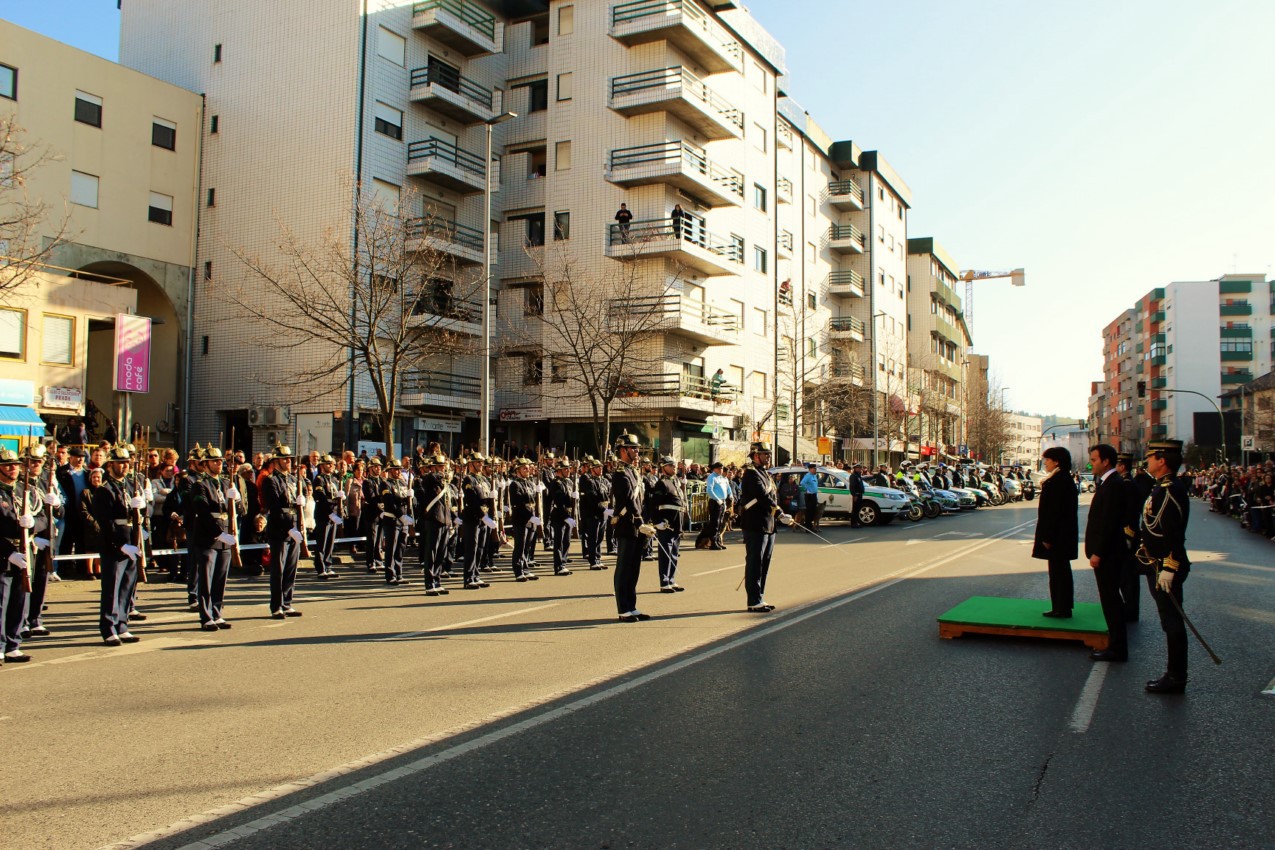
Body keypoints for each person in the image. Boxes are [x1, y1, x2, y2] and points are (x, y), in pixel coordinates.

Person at [1138, 439, 1192, 694]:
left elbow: (1173, 532)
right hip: (1156, 563)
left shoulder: (1170, 490)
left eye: (1150, 457)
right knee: (1168, 620)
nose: (1147, 461)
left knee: (1172, 621)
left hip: (1164, 565)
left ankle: (1176, 676)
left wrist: (1170, 566)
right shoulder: (1160, 487)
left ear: (1162, 460)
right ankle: (1174, 673)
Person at [87, 446, 144, 645]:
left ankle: (122, 624)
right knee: (112, 588)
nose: (125, 466)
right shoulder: (104, 490)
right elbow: (105, 522)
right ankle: (108, 627)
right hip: (114, 545)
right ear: (110, 465)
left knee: (127, 586)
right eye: (121, 463)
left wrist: (140, 515)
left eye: (127, 463)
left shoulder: (129, 486)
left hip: (131, 542)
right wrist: (120, 544)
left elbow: (135, 516)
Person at [1084, 444, 1129, 662]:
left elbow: (1108, 523)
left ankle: (1117, 648)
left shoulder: (1113, 484)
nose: (1090, 463)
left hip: (1108, 554)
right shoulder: (1109, 482)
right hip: (1108, 552)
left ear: (1106, 462)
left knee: (1111, 600)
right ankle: (1116, 644)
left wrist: (1098, 553)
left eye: (1094, 460)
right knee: (1110, 599)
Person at [0, 448, 42, 664]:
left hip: (24, 550)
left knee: (20, 600)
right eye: (7, 465)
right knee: (1, 602)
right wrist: (8, 553)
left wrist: (33, 525)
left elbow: (42, 517)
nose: (13, 468)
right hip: (3, 553)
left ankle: (12, 644)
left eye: (15, 465)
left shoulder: (26, 491)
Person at [188, 446, 236, 631]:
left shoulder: (225, 483)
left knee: (220, 578)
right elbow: (203, 510)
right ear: (205, 464)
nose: (219, 464)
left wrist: (235, 499)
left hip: (224, 534)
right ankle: (206, 616)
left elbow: (234, 511)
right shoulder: (199, 485)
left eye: (220, 461)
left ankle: (217, 612)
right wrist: (219, 532)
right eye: (215, 461)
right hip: (208, 536)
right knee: (206, 579)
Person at [738, 442, 790, 612]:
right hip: (755, 523)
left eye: (768, 454)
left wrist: (778, 514)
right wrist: (780, 513)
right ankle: (753, 600)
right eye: (764, 454)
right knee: (755, 562)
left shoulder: (765, 474)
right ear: (755, 456)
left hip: (768, 524)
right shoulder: (751, 474)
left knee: (764, 563)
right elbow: (762, 497)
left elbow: (773, 496)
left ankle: (760, 596)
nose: (768, 457)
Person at [610, 433, 652, 621]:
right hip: (627, 525)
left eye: (636, 448)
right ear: (623, 450)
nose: (636, 451)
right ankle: (623, 609)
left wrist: (645, 520)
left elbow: (640, 500)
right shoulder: (620, 473)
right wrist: (639, 521)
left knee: (634, 568)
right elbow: (627, 501)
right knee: (624, 568)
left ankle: (631, 606)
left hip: (636, 525)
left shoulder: (633, 471)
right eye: (633, 448)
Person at [260, 443, 305, 618]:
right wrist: (289, 528)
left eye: (289, 459)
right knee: (278, 570)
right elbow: (276, 507)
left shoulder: (293, 479)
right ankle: (276, 605)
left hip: (293, 525)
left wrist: (300, 502)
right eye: (285, 459)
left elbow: (293, 505)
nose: (289, 461)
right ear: (276, 461)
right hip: (280, 529)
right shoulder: (271, 481)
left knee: (291, 569)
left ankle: (287, 602)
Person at [1033, 446, 1078, 618]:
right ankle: (1061, 606)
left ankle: (1062, 608)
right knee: (1060, 571)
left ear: (1057, 461)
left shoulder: (1059, 480)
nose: (1045, 463)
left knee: (1059, 573)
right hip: (1062, 536)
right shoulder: (1061, 478)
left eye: (1048, 460)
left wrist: (1048, 536)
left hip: (1058, 537)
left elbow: (1054, 512)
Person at [648, 455, 687, 592]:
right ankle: (664, 582)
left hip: (676, 522)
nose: (674, 467)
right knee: (666, 553)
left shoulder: (675, 481)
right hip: (666, 522)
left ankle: (672, 579)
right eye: (671, 465)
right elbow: (654, 505)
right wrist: (657, 522)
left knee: (674, 552)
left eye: (674, 465)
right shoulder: (661, 483)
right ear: (664, 467)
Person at [415, 454, 452, 595]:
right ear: (432, 467)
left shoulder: (443, 481)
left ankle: (437, 580)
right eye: (440, 466)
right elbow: (434, 479)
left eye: (443, 466)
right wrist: (444, 476)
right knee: (431, 552)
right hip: (434, 518)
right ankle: (429, 583)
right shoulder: (429, 479)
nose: (442, 469)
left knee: (441, 553)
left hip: (445, 518)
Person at [375, 458, 413, 586]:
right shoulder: (385, 484)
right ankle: (390, 575)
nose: (397, 472)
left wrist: (411, 497)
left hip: (403, 521)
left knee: (401, 548)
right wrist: (401, 515)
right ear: (390, 470)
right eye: (395, 470)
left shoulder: (403, 484)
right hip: (392, 519)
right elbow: (389, 502)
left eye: (399, 469)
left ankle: (399, 573)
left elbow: (408, 503)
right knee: (391, 548)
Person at [458, 454, 494, 589]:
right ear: (471, 464)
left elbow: (486, 499)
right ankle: (468, 578)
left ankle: (476, 575)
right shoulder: (468, 479)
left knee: (480, 548)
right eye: (477, 462)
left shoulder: (484, 479)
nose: (480, 464)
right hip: (473, 517)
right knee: (471, 548)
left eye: (481, 462)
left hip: (484, 517)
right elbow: (471, 500)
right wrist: (483, 516)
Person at [310, 454, 342, 580]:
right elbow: (321, 497)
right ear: (322, 465)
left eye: (333, 464)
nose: (331, 466)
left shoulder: (334, 479)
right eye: (329, 464)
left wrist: (341, 498)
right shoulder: (319, 479)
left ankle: (328, 565)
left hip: (333, 512)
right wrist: (330, 513)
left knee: (330, 542)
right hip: (324, 513)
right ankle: (321, 567)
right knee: (322, 542)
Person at [507, 458, 540, 582]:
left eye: (528, 468)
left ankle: (525, 569)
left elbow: (533, 502)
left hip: (531, 518)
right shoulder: (515, 484)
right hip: (521, 519)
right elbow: (519, 503)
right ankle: (518, 571)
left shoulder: (530, 483)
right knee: (519, 546)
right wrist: (529, 516)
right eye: (524, 468)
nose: (527, 470)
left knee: (528, 546)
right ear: (518, 470)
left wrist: (535, 515)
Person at [578, 456, 610, 569]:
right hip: (594, 513)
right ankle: (593, 561)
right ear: (592, 469)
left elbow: (608, 495)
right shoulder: (589, 482)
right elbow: (593, 498)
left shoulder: (603, 481)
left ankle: (598, 557)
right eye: (597, 467)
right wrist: (604, 509)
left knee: (600, 537)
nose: (600, 469)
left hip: (603, 513)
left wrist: (608, 508)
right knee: (593, 538)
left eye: (601, 467)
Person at [546, 458, 576, 576]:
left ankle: (563, 563)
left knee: (566, 541)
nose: (568, 470)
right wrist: (566, 516)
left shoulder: (568, 481)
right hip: (559, 515)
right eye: (565, 469)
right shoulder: (556, 483)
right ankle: (558, 566)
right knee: (559, 542)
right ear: (559, 470)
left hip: (568, 515)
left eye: (568, 468)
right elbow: (559, 501)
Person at [697, 461, 730, 550]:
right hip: (715, 502)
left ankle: (718, 540)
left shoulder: (722, 478)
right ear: (714, 469)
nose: (721, 470)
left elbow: (727, 488)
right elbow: (709, 490)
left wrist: (728, 496)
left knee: (720, 523)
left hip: (722, 501)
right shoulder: (712, 477)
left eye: (722, 468)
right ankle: (713, 542)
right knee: (715, 523)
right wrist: (717, 499)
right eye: (719, 468)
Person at [799, 462, 821, 532]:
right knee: (809, 511)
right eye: (814, 469)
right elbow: (802, 483)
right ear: (810, 469)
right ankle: (808, 526)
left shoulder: (814, 476)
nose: (815, 470)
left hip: (814, 495)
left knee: (813, 511)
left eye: (816, 468)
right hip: (809, 495)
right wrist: (808, 489)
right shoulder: (808, 476)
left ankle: (810, 525)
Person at [849, 462, 866, 528]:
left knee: (858, 509)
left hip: (860, 494)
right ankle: (853, 523)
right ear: (855, 469)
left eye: (860, 468)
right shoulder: (853, 476)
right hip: (856, 495)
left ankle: (856, 522)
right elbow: (852, 486)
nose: (860, 469)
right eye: (858, 468)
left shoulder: (858, 476)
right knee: (855, 509)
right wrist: (854, 495)